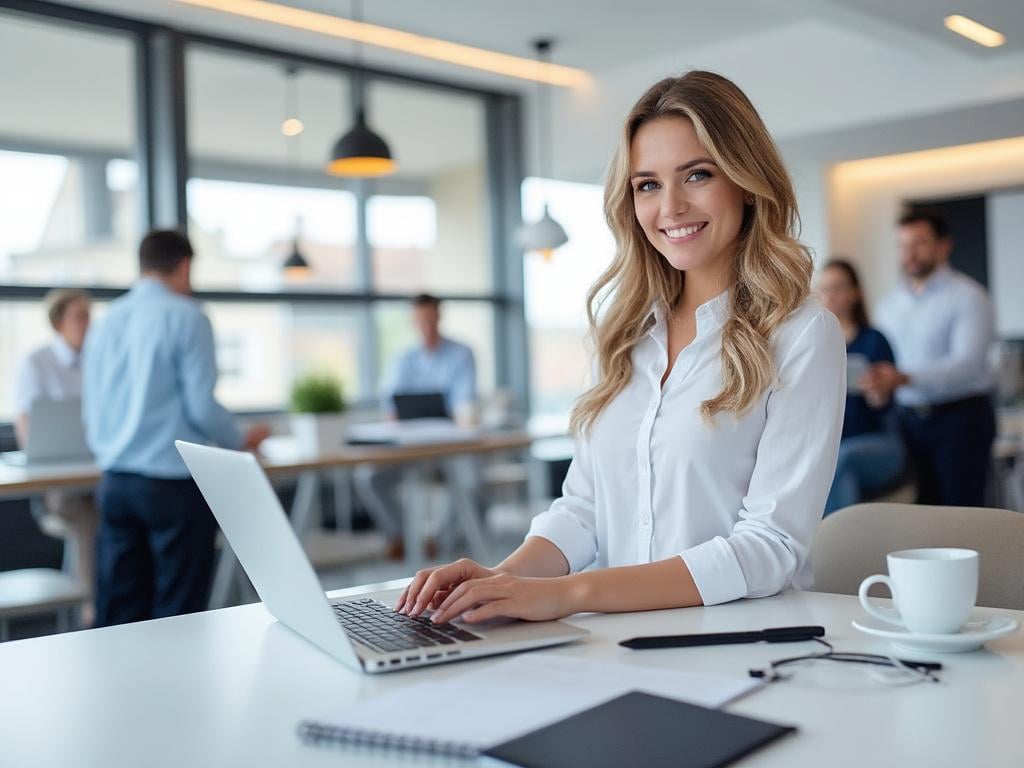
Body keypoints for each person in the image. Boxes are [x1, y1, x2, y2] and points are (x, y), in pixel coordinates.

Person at [397, 70, 845, 624]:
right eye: (648, 184)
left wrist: (571, 594)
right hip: (612, 642)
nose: (671, 207)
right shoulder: (622, 334)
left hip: (734, 644)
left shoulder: (802, 334)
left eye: (697, 175)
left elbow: (769, 547)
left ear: (746, 182)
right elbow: (584, 509)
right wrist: (502, 580)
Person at [82, 230, 269, 627]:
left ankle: (120, 689)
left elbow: (93, 403)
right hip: (171, 485)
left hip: (115, 482)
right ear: (184, 266)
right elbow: (201, 406)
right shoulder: (188, 317)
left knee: (118, 612)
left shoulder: (105, 321)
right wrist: (238, 438)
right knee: (179, 616)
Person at [865, 211, 996, 507]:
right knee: (923, 513)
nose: (909, 253)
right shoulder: (889, 305)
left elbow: (968, 364)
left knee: (962, 512)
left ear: (943, 246)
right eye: (903, 245)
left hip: (960, 419)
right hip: (907, 421)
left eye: (919, 243)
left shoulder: (969, 297)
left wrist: (903, 378)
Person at [353, 294, 477, 556]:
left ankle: (438, 541)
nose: (427, 326)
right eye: (421, 321)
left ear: (439, 317)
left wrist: (458, 415)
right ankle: (400, 535)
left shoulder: (462, 354)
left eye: (431, 319)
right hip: (407, 446)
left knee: (471, 480)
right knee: (369, 476)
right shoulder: (402, 359)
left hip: (448, 446)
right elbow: (391, 405)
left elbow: (464, 403)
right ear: (413, 321)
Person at [12, 288, 98, 624]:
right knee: (89, 524)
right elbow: (27, 425)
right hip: (57, 490)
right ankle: (90, 611)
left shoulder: (97, 361)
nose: (87, 323)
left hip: (95, 476)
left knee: (127, 508)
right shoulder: (38, 363)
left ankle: (128, 610)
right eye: (80, 316)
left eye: (89, 315)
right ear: (58, 321)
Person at [818, 260, 905, 515]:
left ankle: (839, 549)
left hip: (878, 441)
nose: (830, 295)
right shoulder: (815, 344)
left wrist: (878, 393)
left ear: (855, 292)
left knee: (841, 460)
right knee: (836, 468)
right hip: (833, 447)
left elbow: (885, 406)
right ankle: (834, 548)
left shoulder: (874, 341)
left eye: (837, 287)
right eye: (824, 288)